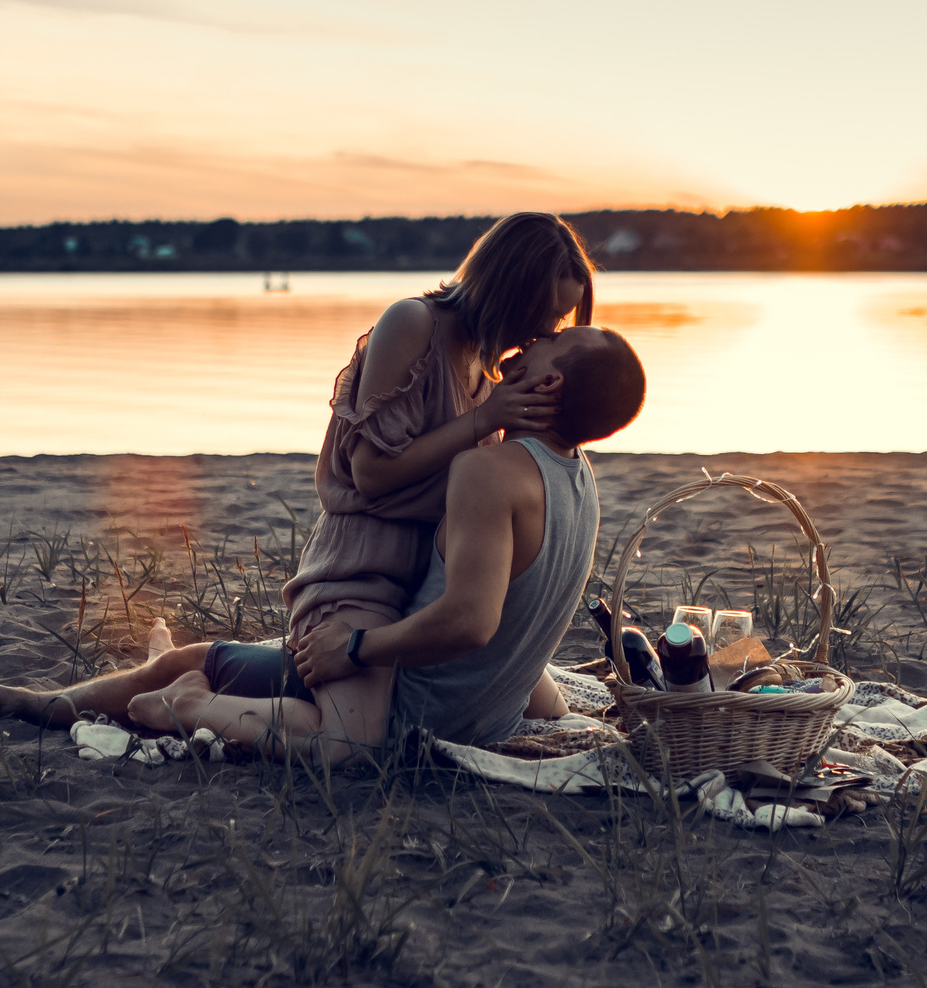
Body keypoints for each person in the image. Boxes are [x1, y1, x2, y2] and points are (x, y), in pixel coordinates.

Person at [0, 212, 596, 738]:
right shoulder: (412, 324)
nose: (538, 335)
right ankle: (36, 704)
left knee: (546, 704)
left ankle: (178, 662)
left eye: (554, 324)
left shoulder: (487, 366)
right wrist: (485, 421)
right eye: (540, 316)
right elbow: (371, 472)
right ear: (507, 284)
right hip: (360, 577)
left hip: (418, 587)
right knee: (351, 742)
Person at [143, 322, 644, 762]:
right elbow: (519, 618)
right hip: (485, 718)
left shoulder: (488, 472)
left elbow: (471, 621)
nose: (535, 337)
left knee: (214, 667)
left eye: (552, 340)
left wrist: (356, 648)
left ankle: (186, 702)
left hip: (406, 713)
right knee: (225, 657)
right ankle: (150, 667)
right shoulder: (580, 482)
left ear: (550, 381)